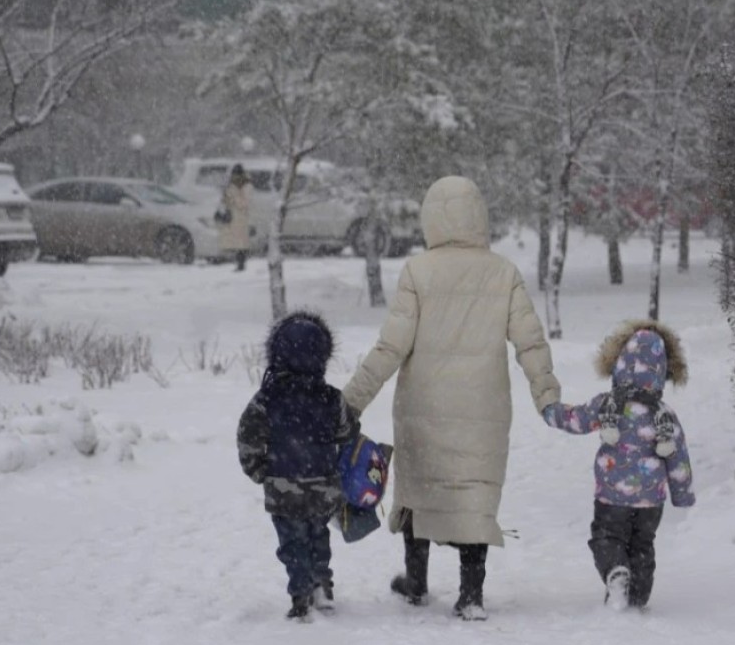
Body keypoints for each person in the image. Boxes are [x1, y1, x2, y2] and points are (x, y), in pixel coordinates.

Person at [342, 176, 560, 621]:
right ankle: (471, 594)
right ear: (479, 215)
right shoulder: (503, 272)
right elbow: (531, 342)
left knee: (419, 488)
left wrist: (349, 402)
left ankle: (417, 582)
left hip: (426, 406)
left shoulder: (418, 271)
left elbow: (391, 347)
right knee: (473, 495)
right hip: (484, 406)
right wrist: (547, 396)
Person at [541, 320, 694, 611]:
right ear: (662, 370)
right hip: (651, 501)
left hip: (612, 496)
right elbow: (678, 457)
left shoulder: (607, 404)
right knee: (642, 545)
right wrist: (682, 493)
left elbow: (576, 418)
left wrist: (550, 412)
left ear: (620, 362)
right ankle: (637, 597)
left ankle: (615, 572)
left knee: (606, 537)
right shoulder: (665, 415)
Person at [237, 311, 359, 621]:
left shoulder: (267, 399)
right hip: (322, 488)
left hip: (283, 489)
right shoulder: (331, 398)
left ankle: (301, 594)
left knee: (292, 544)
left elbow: (248, 436)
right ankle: (322, 583)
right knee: (318, 537)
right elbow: (346, 432)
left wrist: (259, 471)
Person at [219, 163, 251, 271]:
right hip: (233, 217)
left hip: (242, 218)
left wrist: (233, 196)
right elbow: (226, 201)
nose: (235, 178)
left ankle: (241, 264)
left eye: (237, 175)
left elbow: (244, 203)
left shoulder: (246, 186)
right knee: (236, 242)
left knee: (241, 243)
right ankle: (238, 262)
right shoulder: (232, 186)